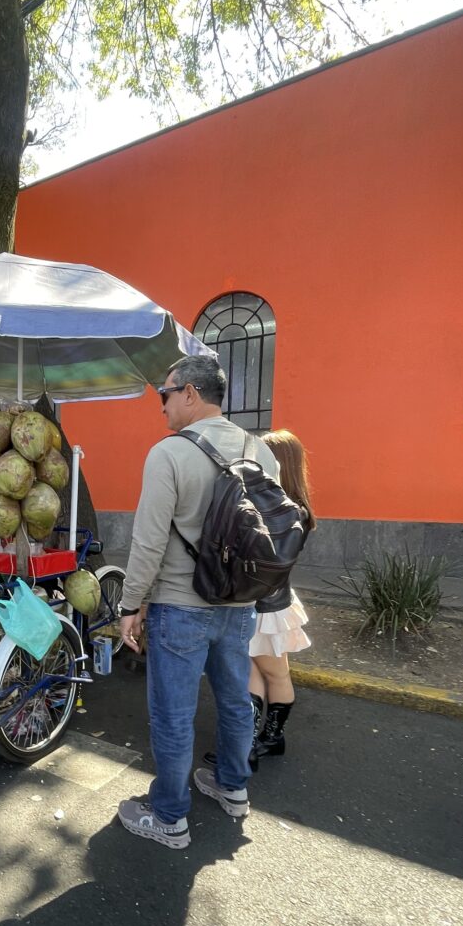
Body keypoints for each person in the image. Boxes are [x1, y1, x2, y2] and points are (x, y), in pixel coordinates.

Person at [116, 355, 280, 849]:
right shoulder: (261, 451)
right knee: (234, 699)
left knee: (172, 713)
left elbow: (147, 541)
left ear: (189, 393)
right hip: (238, 603)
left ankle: (169, 815)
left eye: (164, 394)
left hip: (180, 604)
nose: (161, 406)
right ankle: (232, 788)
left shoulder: (168, 454)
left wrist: (130, 605)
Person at [203, 429, 317, 771]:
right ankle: (258, 741)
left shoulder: (279, 510)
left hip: (265, 603)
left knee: (270, 673)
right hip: (273, 601)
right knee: (261, 671)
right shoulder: (297, 510)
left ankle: (254, 744)